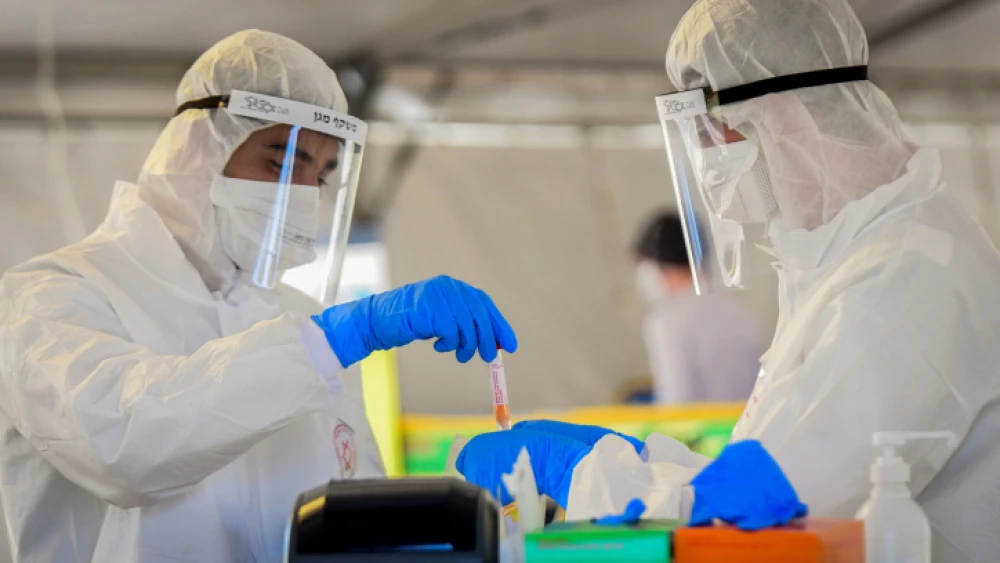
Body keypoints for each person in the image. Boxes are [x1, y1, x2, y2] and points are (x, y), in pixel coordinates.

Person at [457, 1, 1000, 561]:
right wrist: (637, 459)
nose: (707, 153)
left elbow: (761, 510)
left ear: (780, 116)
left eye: (710, 125)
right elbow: (768, 463)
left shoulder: (907, 275)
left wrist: (579, 472)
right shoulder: (851, 258)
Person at [0, 30, 516, 563]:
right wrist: (328, 342)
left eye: (321, 175)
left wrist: (471, 505)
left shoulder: (302, 322)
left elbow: (351, 524)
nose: (304, 194)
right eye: (282, 163)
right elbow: (125, 444)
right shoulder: (49, 297)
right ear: (199, 150)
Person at [633, 211, 762, 404]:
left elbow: (676, 401)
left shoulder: (666, 321)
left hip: (705, 423)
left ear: (660, 264)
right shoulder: (737, 309)